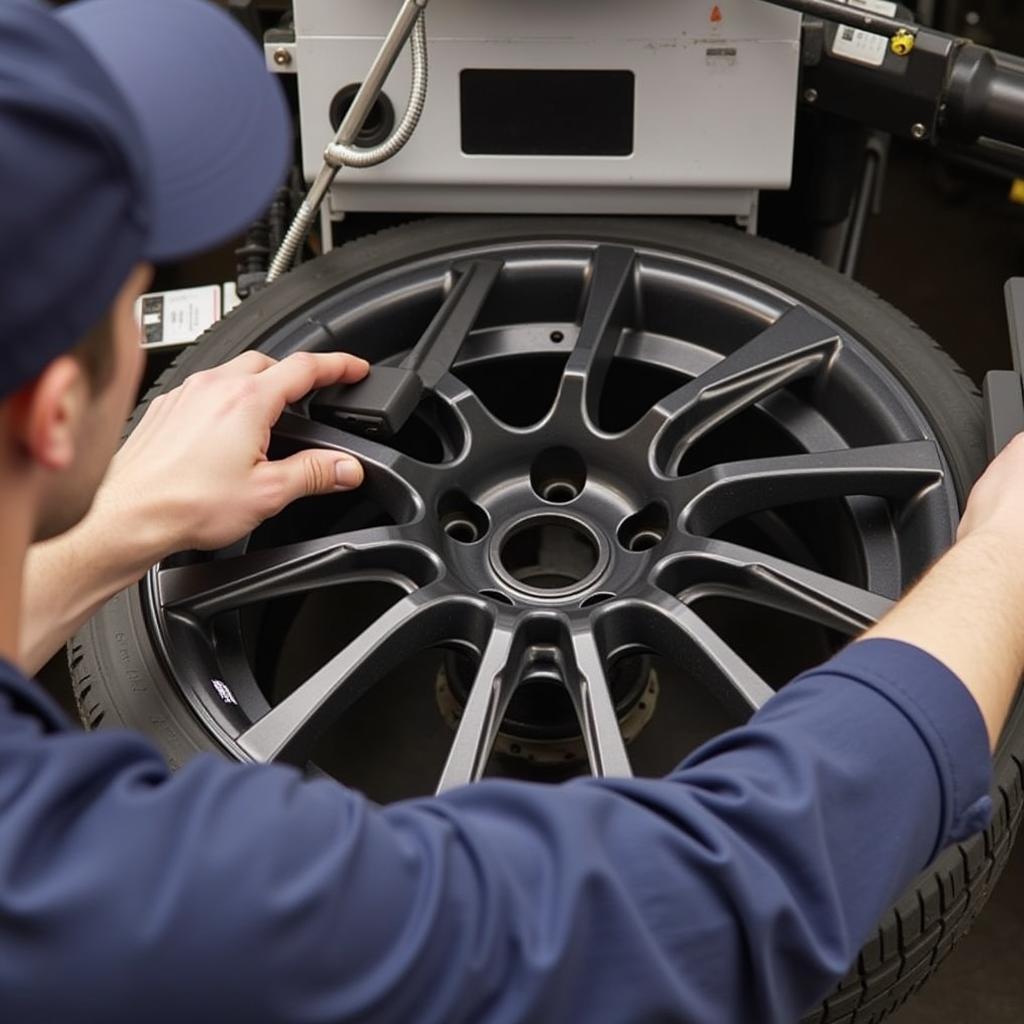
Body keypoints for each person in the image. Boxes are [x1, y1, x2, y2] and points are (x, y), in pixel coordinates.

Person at [1, 1, 1021, 1021]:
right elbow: (693, 918)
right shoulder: (108, 895)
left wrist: (114, 525)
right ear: (54, 414)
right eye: (131, 293)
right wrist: (998, 560)